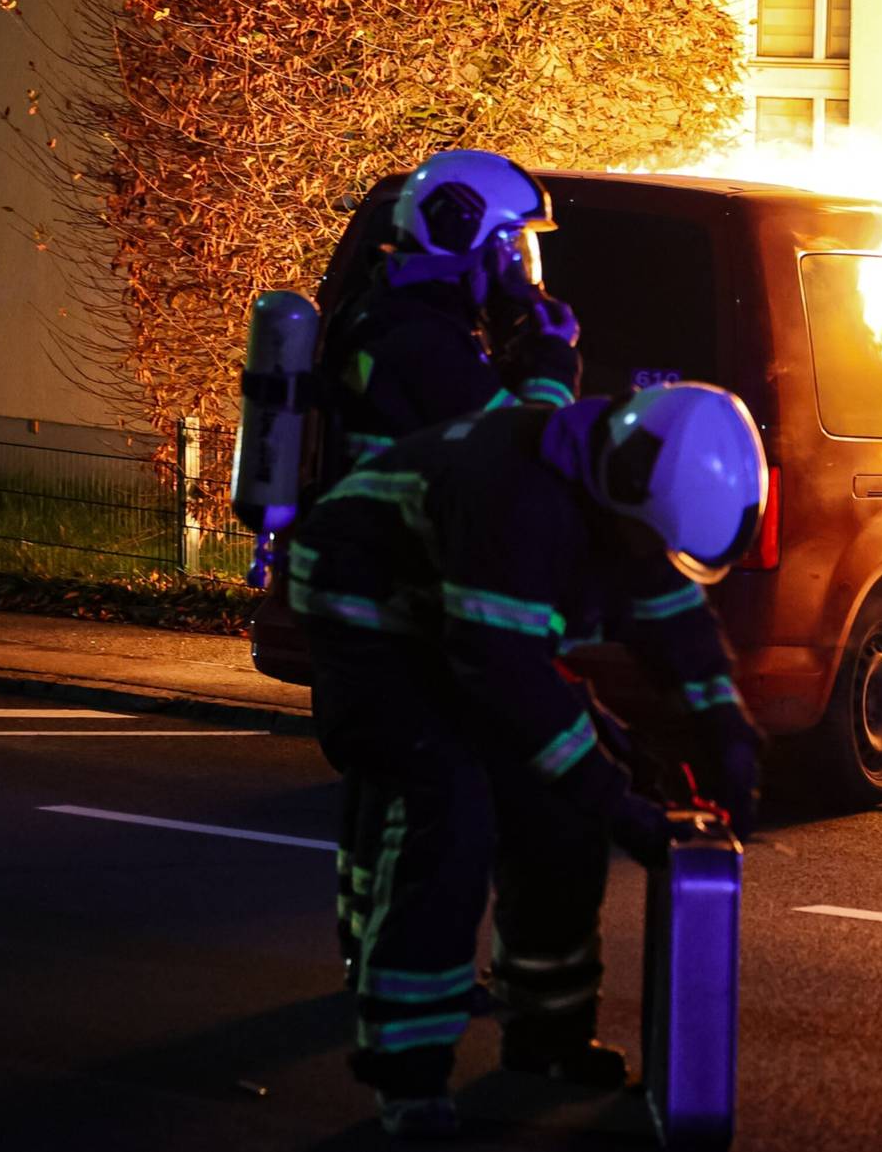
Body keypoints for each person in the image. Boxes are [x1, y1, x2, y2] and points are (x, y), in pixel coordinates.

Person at [288, 384, 767, 1138]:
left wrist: (728, 731)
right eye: (648, 542)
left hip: (459, 617)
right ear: (620, 501)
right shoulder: (513, 499)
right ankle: (407, 1078)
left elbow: (671, 616)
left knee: (559, 814)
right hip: (367, 608)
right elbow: (508, 683)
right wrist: (619, 802)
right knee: (448, 807)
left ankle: (548, 1037)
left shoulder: (635, 494)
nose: (651, 558)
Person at [319, 150, 583, 985]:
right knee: (442, 806)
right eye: (514, 251)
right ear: (469, 239)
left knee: (381, 799)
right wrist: (550, 373)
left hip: (363, 610)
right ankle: (410, 999)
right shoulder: (426, 348)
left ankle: (365, 949)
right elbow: (515, 463)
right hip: (399, 621)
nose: (522, 272)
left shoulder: (381, 321)